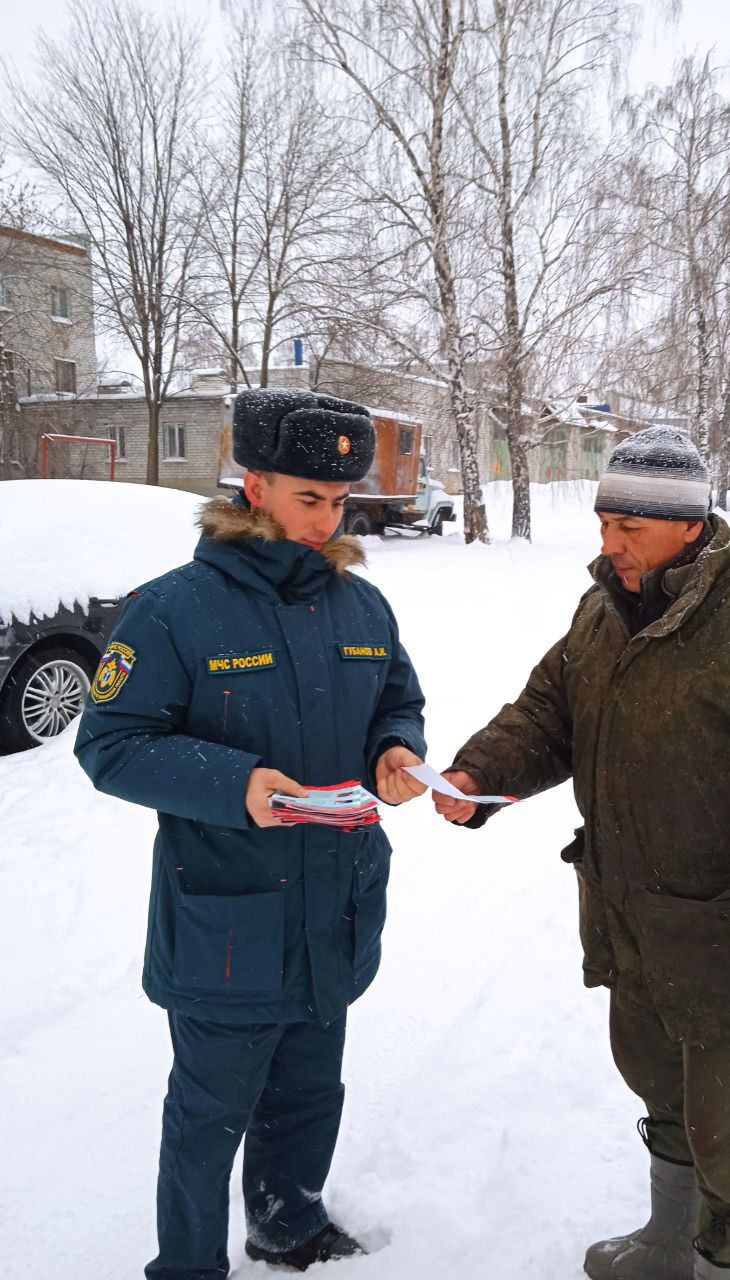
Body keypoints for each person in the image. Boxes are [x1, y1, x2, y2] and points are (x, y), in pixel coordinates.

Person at [433, 428, 730, 1280]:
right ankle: (666, 1243)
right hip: (631, 918)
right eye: (605, 522)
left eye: (630, 529)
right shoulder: (604, 609)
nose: (608, 546)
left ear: (690, 527)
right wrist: (479, 774)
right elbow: (548, 713)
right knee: (656, 1084)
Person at [75, 389, 428, 1280]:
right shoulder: (173, 609)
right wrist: (237, 786)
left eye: (340, 501)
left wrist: (397, 752)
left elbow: (398, 700)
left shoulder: (362, 607)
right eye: (310, 498)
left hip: (335, 904)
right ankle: (188, 1267)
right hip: (227, 927)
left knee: (309, 1092)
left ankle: (289, 1225)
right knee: (207, 1119)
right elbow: (112, 744)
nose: (329, 518)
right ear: (254, 484)